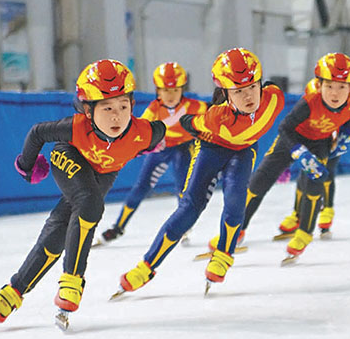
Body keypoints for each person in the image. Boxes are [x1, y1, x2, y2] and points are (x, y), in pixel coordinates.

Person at [0, 59, 166, 332]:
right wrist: (27, 167)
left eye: (123, 107)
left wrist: (149, 145)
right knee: (90, 203)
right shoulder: (76, 127)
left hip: (102, 173)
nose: (116, 116)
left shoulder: (144, 132)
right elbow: (38, 133)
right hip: (69, 156)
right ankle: (72, 280)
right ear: (88, 110)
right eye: (107, 108)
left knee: (59, 233)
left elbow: (170, 129)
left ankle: (11, 292)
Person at [113, 48, 284, 295]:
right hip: (212, 148)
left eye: (251, 87)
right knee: (190, 207)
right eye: (238, 91)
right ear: (225, 93)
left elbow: (270, 89)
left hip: (244, 151)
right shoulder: (217, 116)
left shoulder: (275, 98)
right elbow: (189, 123)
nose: (248, 96)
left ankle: (223, 255)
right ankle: (146, 268)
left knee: (236, 200)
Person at [236, 52, 350, 264]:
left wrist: (344, 140)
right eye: (329, 86)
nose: (335, 93)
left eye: (342, 87)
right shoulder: (310, 102)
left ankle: (304, 234)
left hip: (319, 144)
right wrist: (297, 150)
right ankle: (237, 229)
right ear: (319, 85)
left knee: (314, 184)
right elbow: (285, 128)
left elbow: (348, 127)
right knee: (259, 182)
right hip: (291, 140)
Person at [97, 62, 207, 245]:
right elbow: (137, 130)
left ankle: (183, 226)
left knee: (184, 188)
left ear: (182, 89)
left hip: (183, 149)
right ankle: (118, 228)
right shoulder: (154, 110)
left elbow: (218, 112)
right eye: (166, 91)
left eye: (175, 90)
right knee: (141, 187)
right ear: (158, 91)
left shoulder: (196, 106)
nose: (170, 96)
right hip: (161, 148)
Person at [276, 125, 350, 239]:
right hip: (315, 142)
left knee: (327, 171)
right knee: (304, 175)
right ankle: (298, 215)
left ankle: (327, 209)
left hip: (333, 144)